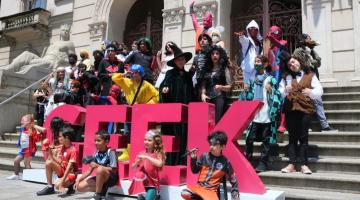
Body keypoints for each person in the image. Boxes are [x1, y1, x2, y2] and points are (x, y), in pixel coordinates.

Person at [279, 53, 323, 175]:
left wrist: (311, 92)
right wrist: (284, 90)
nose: (292, 65)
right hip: (291, 109)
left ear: (299, 61)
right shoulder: (286, 77)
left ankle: (304, 164)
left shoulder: (311, 75)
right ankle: (292, 164)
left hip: (305, 109)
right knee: (292, 137)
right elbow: (280, 91)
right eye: (289, 65)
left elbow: (320, 91)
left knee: (304, 137)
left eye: (293, 62)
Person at [244, 55, 282, 172]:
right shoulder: (252, 80)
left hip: (266, 113)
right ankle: (247, 161)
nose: (256, 63)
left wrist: (272, 90)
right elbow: (249, 98)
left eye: (259, 61)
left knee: (266, 140)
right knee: (249, 138)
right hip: (255, 114)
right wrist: (246, 91)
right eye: (255, 61)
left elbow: (279, 95)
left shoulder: (271, 79)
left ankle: (263, 162)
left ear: (265, 64)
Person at [293, 34, 337, 132]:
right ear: (303, 40)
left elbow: (318, 62)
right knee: (308, 103)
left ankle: (323, 125)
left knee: (317, 102)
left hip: (313, 78)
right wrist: (312, 60)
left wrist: (312, 50)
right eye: (309, 38)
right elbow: (304, 63)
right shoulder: (298, 51)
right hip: (305, 80)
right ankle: (320, 125)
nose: (311, 40)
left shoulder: (310, 50)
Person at [181, 131, 240, 200]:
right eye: (210, 144)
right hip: (199, 188)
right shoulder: (204, 156)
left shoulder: (225, 162)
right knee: (184, 193)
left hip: (211, 192)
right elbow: (194, 170)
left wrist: (235, 197)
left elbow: (234, 181)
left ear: (223, 146)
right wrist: (193, 158)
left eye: (214, 144)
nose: (211, 147)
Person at [160, 46, 194, 165]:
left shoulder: (188, 76)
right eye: (178, 59)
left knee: (184, 136)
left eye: (183, 59)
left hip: (185, 112)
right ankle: (171, 162)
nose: (181, 61)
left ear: (185, 61)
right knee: (173, 136)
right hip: (173, 113)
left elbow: (192, 92)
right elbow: (165, 85)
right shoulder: (170, 73)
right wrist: (165, 89)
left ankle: (182, 161)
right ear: (174, 61)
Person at [75, 130, 118, 200]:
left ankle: (97, 195)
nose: (96, 143)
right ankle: (103, 190)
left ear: (106, 142)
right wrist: (78, 180)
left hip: (110, 178)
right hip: (100, 178)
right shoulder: (96, 153)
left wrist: (97, 166)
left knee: (100, 169)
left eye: (98, 140)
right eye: (95, 140)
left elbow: (113, 170)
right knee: (79, 187)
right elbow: (89, 171)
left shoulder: (111, 152)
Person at [37, 125, 79, 196]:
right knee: (48, 162)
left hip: (70, 174)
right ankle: (50, 187)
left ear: (67, 137)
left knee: (57, 185)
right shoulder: (62, 147)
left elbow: (69, 168)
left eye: (60, 136)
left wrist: (62, 182)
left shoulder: (73, 150)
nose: (58, 138)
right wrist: (50, 152)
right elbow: (59, 161)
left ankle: (71, 185)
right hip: (63, 170)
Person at [200, 45, 233, 123]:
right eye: (213, 54)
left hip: (219, 98)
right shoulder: (207, 70)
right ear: (210, 56)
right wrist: (203, 94)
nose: (214, 55)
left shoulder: (225, 69)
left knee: (217, 121)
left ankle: (217, 135)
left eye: (217, 53)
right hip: (208, 98)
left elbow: (230, 86)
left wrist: (221, 87)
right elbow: (203, 85)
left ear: (220, 55)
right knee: (207, 122)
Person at [131, 130, 165, 200]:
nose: (146, 142)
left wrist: (147, 157)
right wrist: (137, 162)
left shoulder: (157, 153)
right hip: (141, 185)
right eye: (145, 140)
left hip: (152, 185)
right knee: (139, 174)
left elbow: (160, 164)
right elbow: (133, 167)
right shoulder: (141, 153)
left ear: (155, 143)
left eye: (149, 140)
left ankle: (156, 196)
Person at [6, 114, 42, 180]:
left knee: (26, 163)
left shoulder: (32, 130)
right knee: (16, 161)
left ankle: (30, 177)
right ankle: (16, 175)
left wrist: (33, 128)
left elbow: (37, 139)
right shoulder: (23, 129)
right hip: (23, 149)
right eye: (22, 120)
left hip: (29, 149)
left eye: (23, 121)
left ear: (29, 122)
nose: (21, 122)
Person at [234, 20, 263, 91]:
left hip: (258, 69)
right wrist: (241, 36)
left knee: (258, 91)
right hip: (248, 71)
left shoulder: (260, 42)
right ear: (248, 30)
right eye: (251, 29)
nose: (253, 30)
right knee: (249, 92)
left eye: (255, 29)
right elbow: (243, 41)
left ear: (257, 30)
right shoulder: (247, 41)